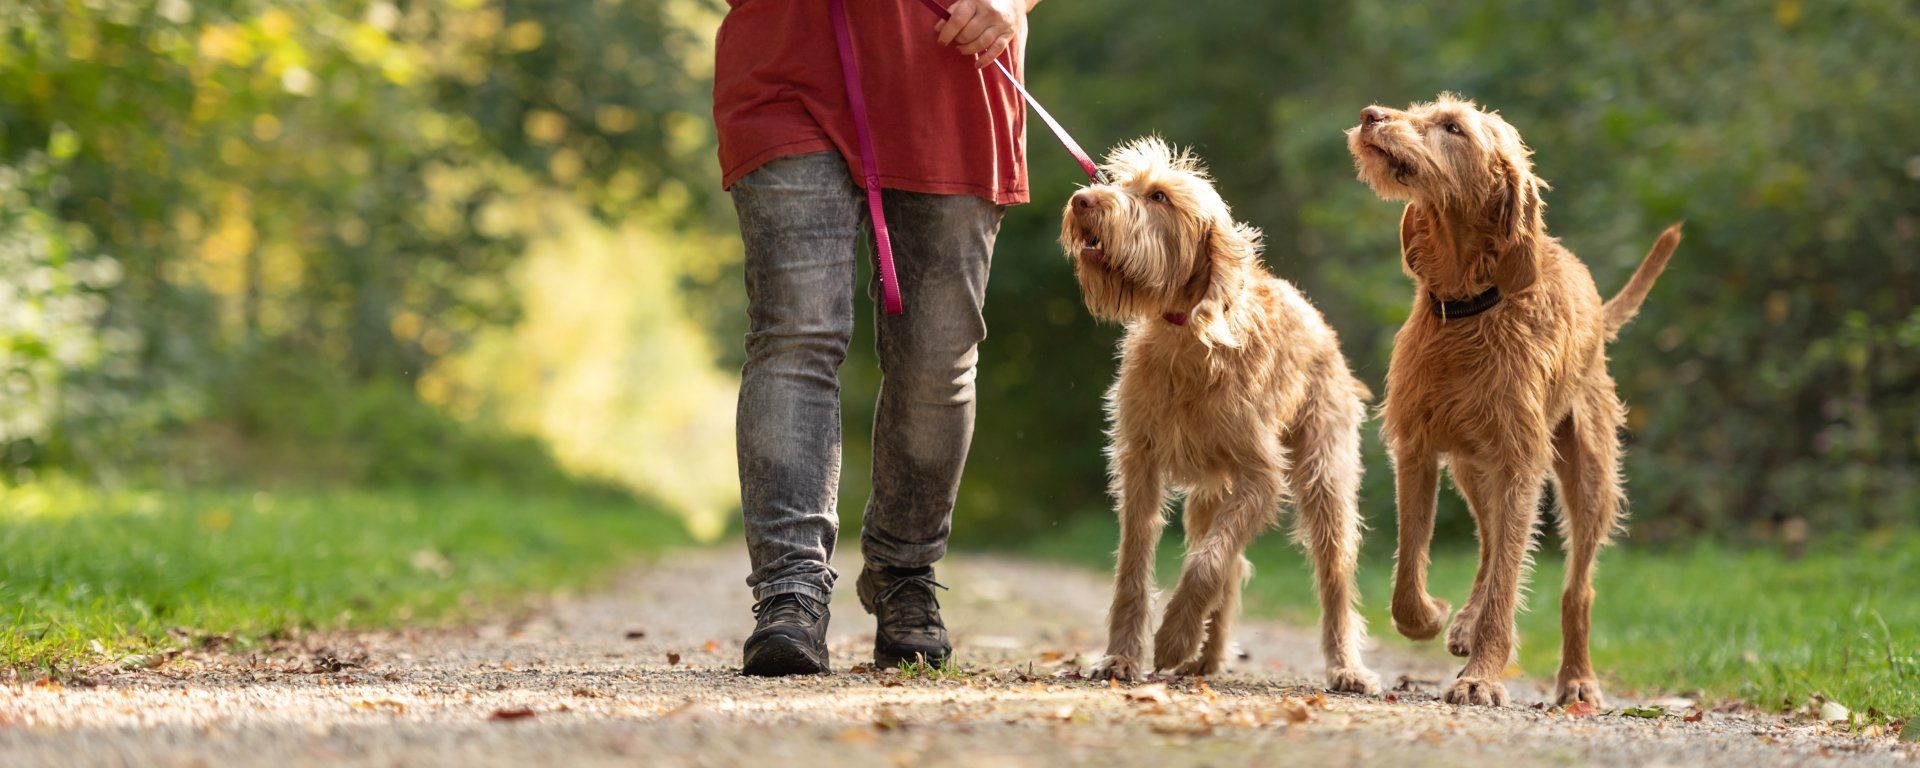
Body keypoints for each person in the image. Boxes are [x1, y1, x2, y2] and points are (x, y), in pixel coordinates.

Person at [712, 0, 1039, 676]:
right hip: (787, 63)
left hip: (955, 76)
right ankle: (789, 591)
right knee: (795, 333)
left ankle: (904, 573)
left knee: (936, 354)